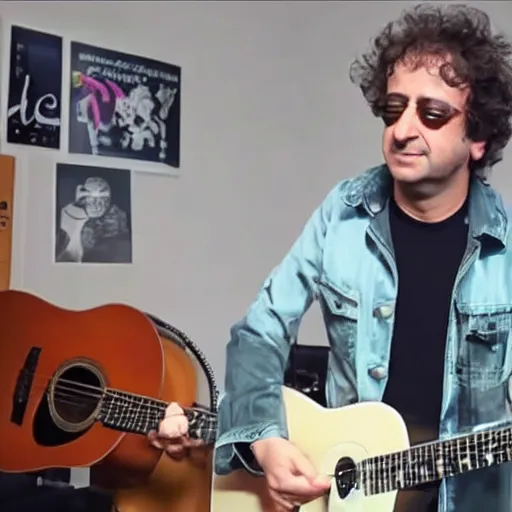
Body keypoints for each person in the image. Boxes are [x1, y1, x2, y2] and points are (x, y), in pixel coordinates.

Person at [152, 3, 512, 512]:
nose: (403, 129)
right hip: (349, 497)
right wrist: (265, 440)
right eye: (394, 108)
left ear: (477, 138)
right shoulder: (341, 215)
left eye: (431, 113)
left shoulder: (506, 250)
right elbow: (259, 334)